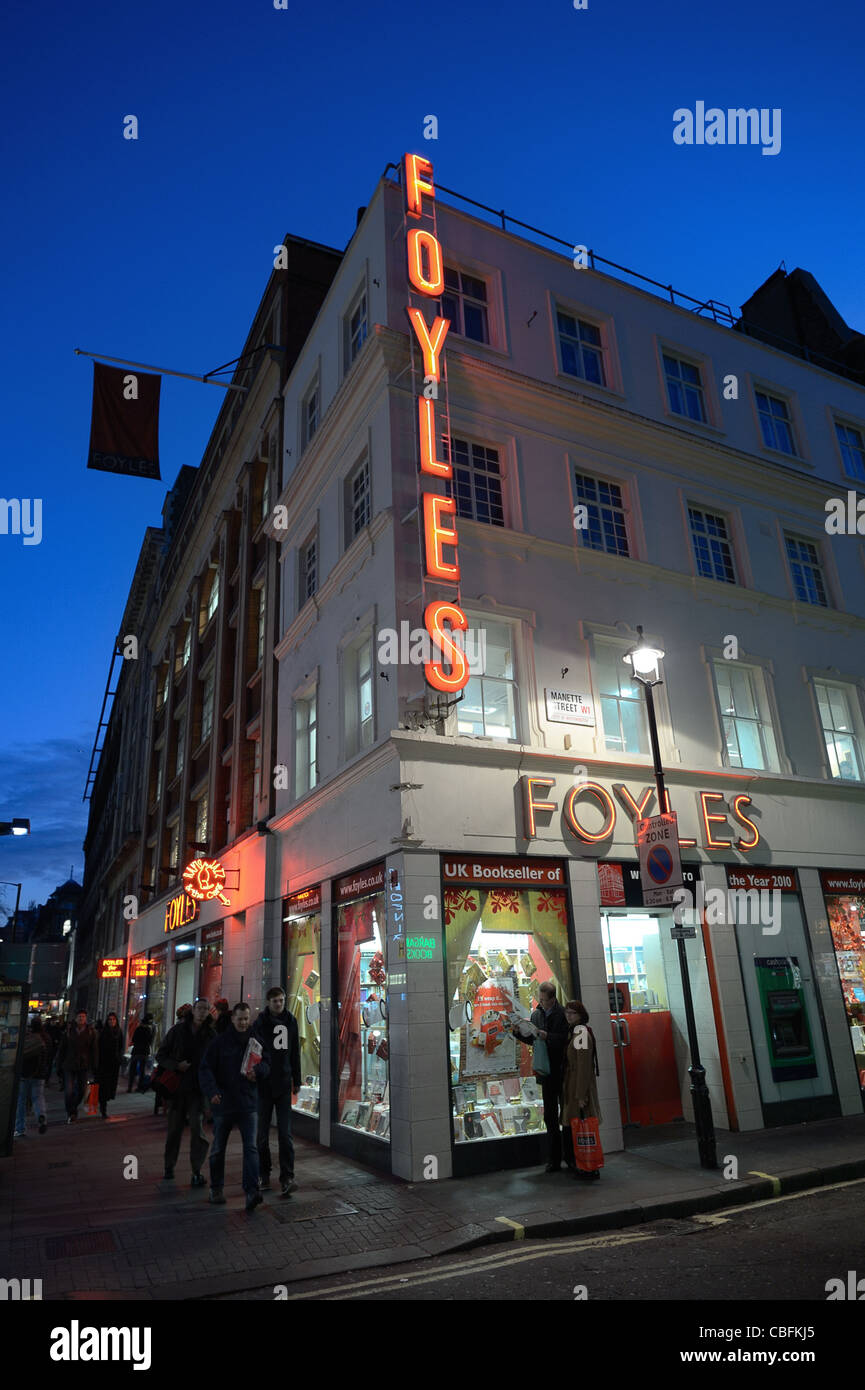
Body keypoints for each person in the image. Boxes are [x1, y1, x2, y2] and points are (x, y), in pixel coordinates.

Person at [199, 1002, 270, 1212]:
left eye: (246, 1018)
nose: (243, 1022)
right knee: (219, 1147)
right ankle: (216, 1188)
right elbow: (205, 1069)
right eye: (240, 1019)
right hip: (225, 1103)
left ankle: (251, 1191)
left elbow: (267, 1063)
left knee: (251, 1147)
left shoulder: (256, 1041)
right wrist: (212, 1092)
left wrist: (258, 1072)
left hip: (247, 1102)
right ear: (233, 1019)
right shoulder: (220, 1042)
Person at [156, 997, 215, 1186]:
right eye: (199, 1008)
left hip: (197, 1090)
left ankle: (196, 1170)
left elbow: (217, 1062)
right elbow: (161, 1054)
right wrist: (176, 1065)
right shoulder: (178, 1030)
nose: (202, 1012)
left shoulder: (211, 1035)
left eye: (206, 1009)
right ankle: (169, 1167)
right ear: (193, 1010)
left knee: (198, 1131)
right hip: (177, 1089)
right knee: (174, 1130)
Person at [253, 987, 301, 1197]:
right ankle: (264, 1173)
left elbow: (295, 1051)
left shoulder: (291, 1021)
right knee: (261, 1136)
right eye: (275, 1001)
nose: (279, 1004)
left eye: (281, 1000)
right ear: (268, 1002)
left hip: (283, 1083)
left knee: (285, 1134)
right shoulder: (260, 1023)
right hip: (264, 1085)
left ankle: (287, 1177)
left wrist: (296, 1079)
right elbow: (253, 1051)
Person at [529, 980, 569, 1172]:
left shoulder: (562, 1015)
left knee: (567, 1115)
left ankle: (570, 1156)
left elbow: (564, 1039)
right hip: (546, 1071)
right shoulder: (537, 1014)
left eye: (544, 1000)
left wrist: (548, 1036)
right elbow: (531, 1038)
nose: (541, 1002)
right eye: (540, 999)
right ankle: (554, 1159)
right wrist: (519, 1030)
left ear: (553, 999)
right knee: (551, 1116)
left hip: (561, 1070)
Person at [561, 1000, 602, 1181]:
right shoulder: (576, 1031)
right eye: (567, 1012)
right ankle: (584, 1164)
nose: (568, 1016)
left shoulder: (580, 1032)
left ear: (580, 1015)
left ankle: (587, 1166)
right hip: (574, 1085)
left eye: (572, 1013)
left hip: (578, 1087)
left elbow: (584, 1065)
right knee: (578, 1127)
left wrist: (580, 1094)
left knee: (581, 1128)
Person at [58, 1010, 97, 1123]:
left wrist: (94, 1065)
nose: (81, 1018)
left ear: (86, 1019)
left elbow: (94, 1050)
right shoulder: (69, 1031)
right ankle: (71, 1112)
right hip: (69, 1064)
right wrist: (59, 1064)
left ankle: (73, 1107)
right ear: (76, 1018)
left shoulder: (90, 1032)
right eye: (79, 1016)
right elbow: (62, 1048)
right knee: (68, 1090)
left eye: (83, 1017)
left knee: (82, 1089)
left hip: (83, 1065)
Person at [14, 1018, 49, 1137]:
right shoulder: (45, 1038)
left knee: (21, 1101)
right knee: (38, 1098)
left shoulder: (27, 1038)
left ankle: (20, 1128)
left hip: (24, 1074)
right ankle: (41, 1116)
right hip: (39, 1075)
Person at [94, 1012, 124, 1118]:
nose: (112, 1021)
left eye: (114, 1020)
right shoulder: (103, 1032)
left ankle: (103, 1105)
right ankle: (103, 1108)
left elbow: (121, 1046)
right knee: (103, 1087)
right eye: (110, 1020)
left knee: (109, 1087)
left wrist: (119, 1058)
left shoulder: (119, 1032)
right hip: (103, 1064)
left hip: (114, 1064)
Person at [127, 1014, 154, 1092]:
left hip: (136, 1051)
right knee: (142, 1071)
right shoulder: (148, 1030)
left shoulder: (138, 1029)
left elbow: (134, 1039)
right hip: (144, 1052)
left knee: (132, 1070)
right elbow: (150, 1041)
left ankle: (130, 1087)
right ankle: (139, 1087)